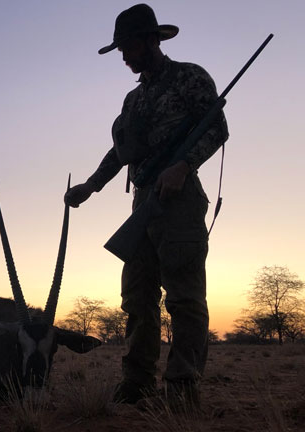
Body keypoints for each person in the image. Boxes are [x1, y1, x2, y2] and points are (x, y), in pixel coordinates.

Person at [64, 4, 228, 409]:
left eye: (128, 46)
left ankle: (182, 387)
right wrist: (91, 185)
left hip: (180, 199)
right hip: (142, 205)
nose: (123, 55)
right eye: (120, 48)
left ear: (152, 40)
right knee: (137, 298)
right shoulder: (133, 98)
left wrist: (184, 166)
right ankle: (137, 383)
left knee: (185, 298)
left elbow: (217, 127)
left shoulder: (190, 76)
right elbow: (121, 152)